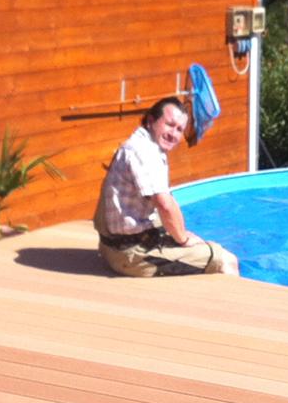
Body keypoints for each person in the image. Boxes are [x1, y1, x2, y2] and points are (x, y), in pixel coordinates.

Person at [94, 96, 239, 277]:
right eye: (169, 125)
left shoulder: (140, 143)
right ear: (151, 121)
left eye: (179, 129)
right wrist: (184, 240)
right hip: (129, 255)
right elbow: (164, 204)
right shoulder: (144, 152)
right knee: (225, 260)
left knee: (195, 242)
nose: (174, 134)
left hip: (115, 244)